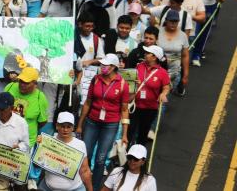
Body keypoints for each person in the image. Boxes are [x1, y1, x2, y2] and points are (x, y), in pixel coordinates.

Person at [76, 53, 130, 191]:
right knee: (85, 155)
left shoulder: (122, 84)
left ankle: (94, 187)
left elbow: (124, 110)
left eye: (105, 65)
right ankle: (80, 184)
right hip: (92, 122)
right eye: (102, 64)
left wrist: (124, 134)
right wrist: (80, 125)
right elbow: (87, 103)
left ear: (113, 67)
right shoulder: (96, 79)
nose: (102, 67)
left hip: (110, 125)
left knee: (100, 159)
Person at [38, 112, 93, 191]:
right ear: (57, 126)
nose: (65, 129)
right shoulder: (48, 141)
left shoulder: (80, 144)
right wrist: (39, 147)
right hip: (48, 187)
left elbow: (84, 170)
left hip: (74, 188)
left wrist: (90, 189)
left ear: (73, 128)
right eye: (62, 126)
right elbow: (38, 163)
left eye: (68, 126)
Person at [128, 45, 170, 145]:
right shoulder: (139, 66)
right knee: (130, 132)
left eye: (148, 53)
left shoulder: (162, 73)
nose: (145, 54)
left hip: (150, 109)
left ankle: (139, 158)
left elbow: (166, 87)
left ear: (154, 57)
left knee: (142, 134)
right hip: (135, 106)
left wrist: (163, 94)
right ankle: (126, 156)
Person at [191, 0, 225, 64]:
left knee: (203, 33)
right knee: (194, 32)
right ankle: (189, 53)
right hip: (196, 8)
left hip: (209, 10)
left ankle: (196, 55)